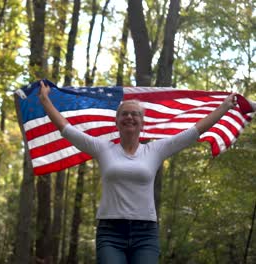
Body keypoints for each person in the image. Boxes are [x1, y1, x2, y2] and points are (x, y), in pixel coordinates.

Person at [37, 80, 239, 264]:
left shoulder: (155, 150)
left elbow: (194, 131)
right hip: (110, 233)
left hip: (146, 233)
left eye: (135, 114)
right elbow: (66, 129)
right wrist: (45, 101)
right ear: (117, 122)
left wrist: (224, 107)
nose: (130, 117)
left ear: (142, 123)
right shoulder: (103, 148)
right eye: (124, 113)